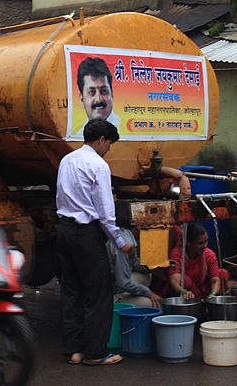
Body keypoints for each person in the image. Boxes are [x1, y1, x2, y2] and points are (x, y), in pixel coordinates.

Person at [56, 118, 130, 366]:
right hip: (86, 234)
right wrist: (121, 242)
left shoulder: (67, 160)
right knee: (99, 292)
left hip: (64, 230)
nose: (109, 149)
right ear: (101, 140)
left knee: (72, 290)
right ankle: (95, 353)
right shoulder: (98, 165)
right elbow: (106, 214)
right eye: (109, 144)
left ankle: (74, 351)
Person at [167, 223, 228, 300]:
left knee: (222, 273)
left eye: (206, 241)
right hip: (186, 293)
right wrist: (184, 292)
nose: (205, 246)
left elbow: (215, 280)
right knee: (185, 280)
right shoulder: (177, 254)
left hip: (202, 289)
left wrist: (213, 294)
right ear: (189, 243)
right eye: (200, 243)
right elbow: (174, 281)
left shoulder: (209, 254)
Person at [108, 226, 163, 307]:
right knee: (153, 304)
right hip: (113, 294)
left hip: (121, 284)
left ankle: (131, 295)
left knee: (146, 275)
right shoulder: (123, 243)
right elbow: (122, 282)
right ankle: (123, 300)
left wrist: (157, 265)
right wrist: (148, 293)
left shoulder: (127, 233)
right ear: (138, 227)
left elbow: (134, 264)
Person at [76, 57, 120, 131]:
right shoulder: (80, 135)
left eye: (104, 91)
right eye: (92, 92)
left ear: (112, 94)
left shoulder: (121, 127)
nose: (98, 99)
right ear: (81, 99)